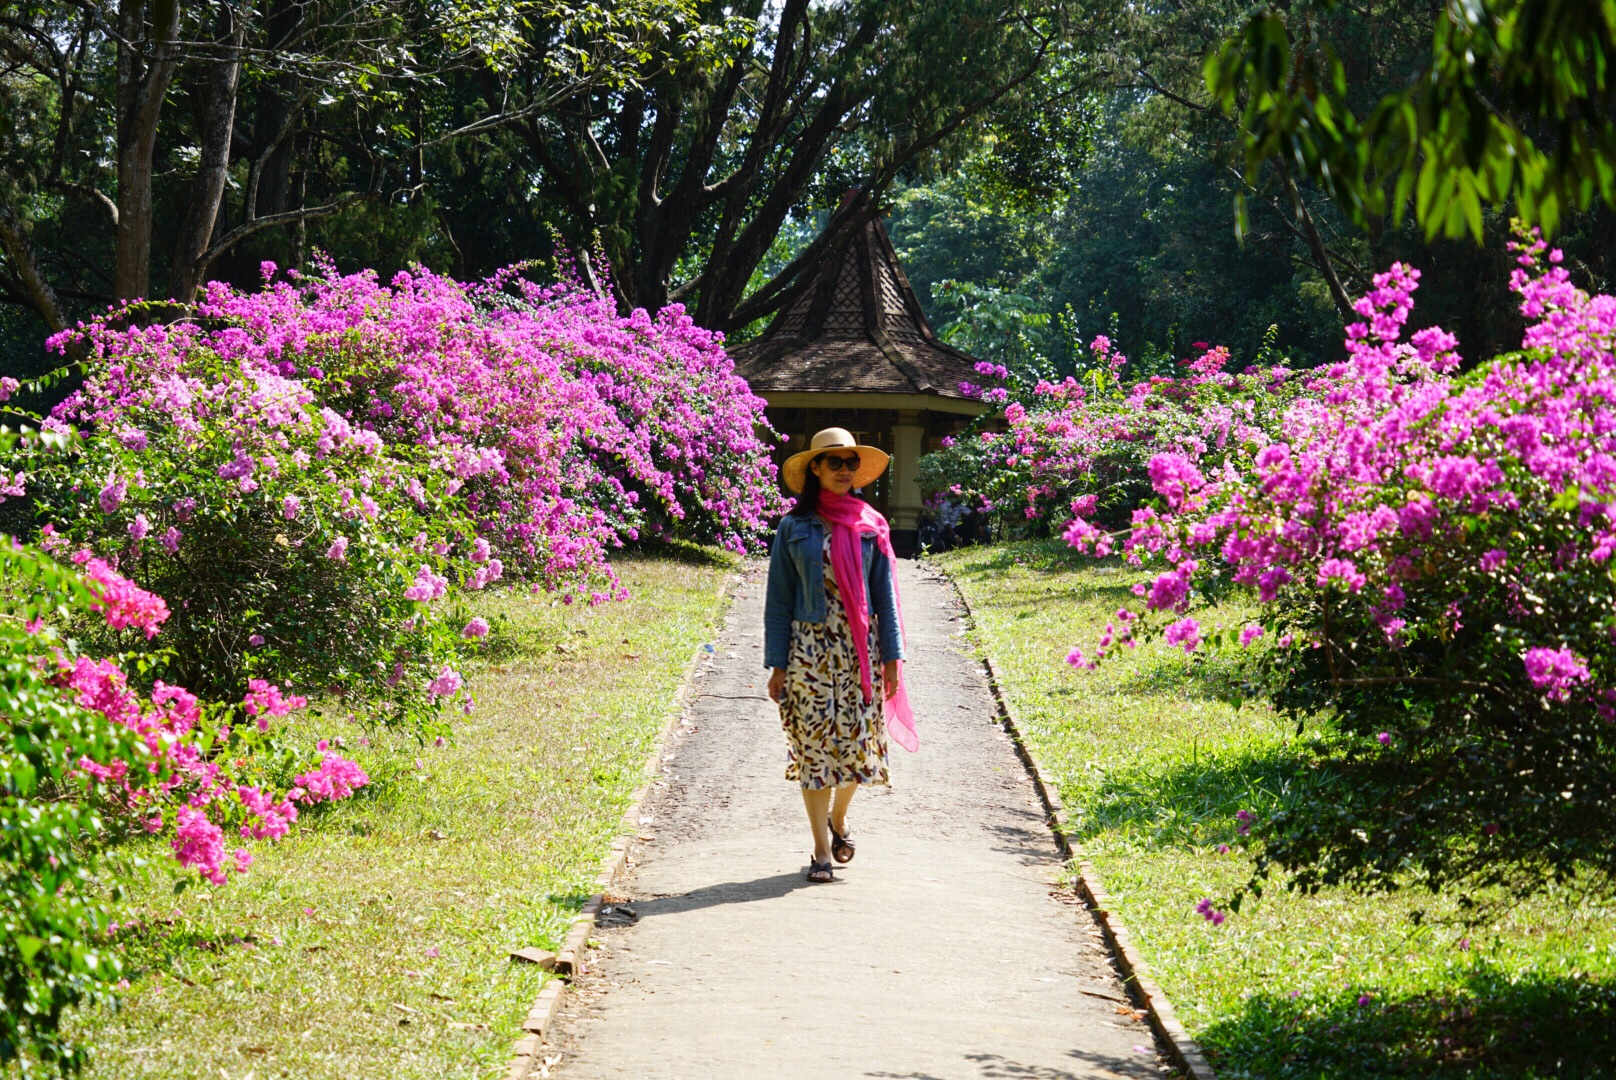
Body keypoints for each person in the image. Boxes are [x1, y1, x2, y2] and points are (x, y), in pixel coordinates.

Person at [764, 427, 917, 883]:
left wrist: (893, 658)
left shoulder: (871, 526)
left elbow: (884, 598)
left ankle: (838, 818)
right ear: (815, 468)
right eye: (835, 462)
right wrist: (777, 664)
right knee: (814, 753)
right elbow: (779, 600)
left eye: (851, 463)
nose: (845, 470)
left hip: (859, 655)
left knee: (856, 752)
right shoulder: (794, 528)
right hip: (807, 652)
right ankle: (819, 852)